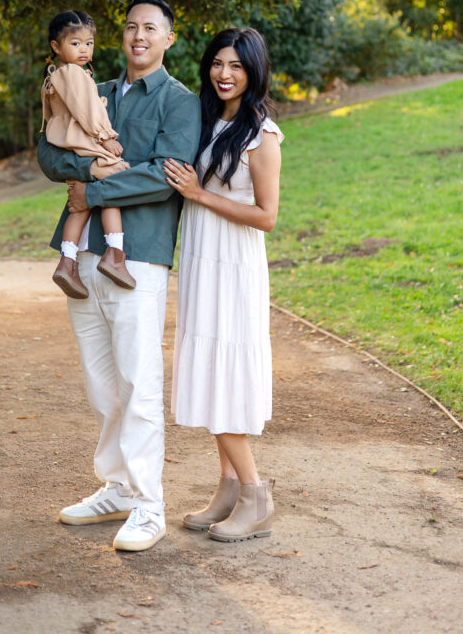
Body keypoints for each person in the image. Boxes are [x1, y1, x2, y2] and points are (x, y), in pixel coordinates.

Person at [37, 0, 201, 552]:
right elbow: (48, 152)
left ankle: (150, 506)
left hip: (141, 257)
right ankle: (118, 489)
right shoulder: (93, 88)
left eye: (150, 28)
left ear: (168, 38)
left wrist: (94, 187)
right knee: (102, 385)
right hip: (81, 257)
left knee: (138, 383)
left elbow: (166, 176)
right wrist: (91, 168)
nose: (138, 36)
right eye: (131, 27)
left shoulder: (181, 103)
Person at [163, 27, 283, 543]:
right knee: (212, 371)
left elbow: (267, 216)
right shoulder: (207, 121)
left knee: (227, 376)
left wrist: (198, 193)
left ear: (253, 71)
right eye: (218, 63)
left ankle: (256, 496)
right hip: (201, 261)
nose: (224, 73)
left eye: (236, 65)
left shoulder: (263, 134)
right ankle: (228, 490)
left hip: (234, 267)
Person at [41, 10, 135, 298]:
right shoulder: (73, 74)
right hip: (88, 142)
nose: (84, 50)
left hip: (71, 144)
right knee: (113, 185)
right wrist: (106, 137)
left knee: (80, 203)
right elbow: (87, 110)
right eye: (75, 43)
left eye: (89, 43)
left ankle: (67, 261)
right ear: (56, 47)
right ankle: (115, 254)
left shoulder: (54, 77)